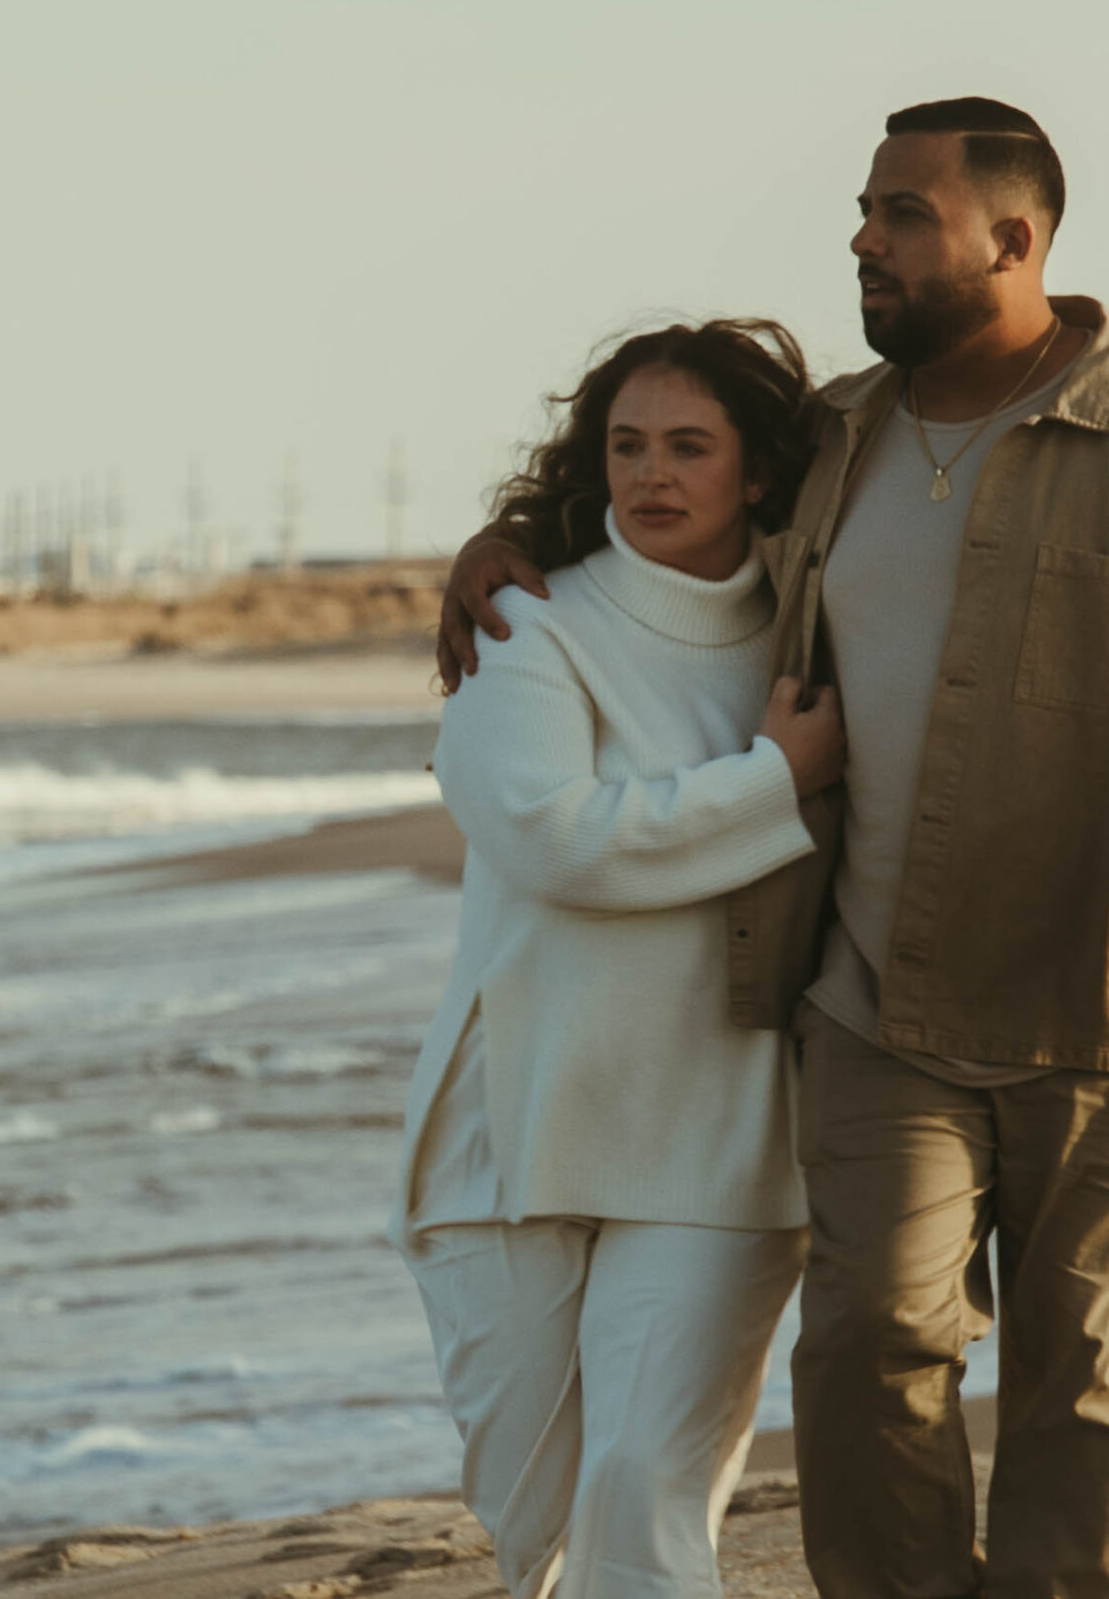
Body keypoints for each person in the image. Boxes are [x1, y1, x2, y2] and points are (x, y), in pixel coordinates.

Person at [436, 99, 1109, 1599]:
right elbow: (669, 502)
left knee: (1086, 1378)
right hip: (872, 1005)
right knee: (864, 1351)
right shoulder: (833, 436)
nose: (864, 238)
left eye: (904, 215)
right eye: (865, 210)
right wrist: (506, 540)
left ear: (1014, 239)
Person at [393, 318, 845, 1599]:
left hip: (719, 1128)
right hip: (518, 1127)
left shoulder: (816, 638)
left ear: (756, 472)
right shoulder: (528, 622)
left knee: (643, 1497)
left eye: (689, 447)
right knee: (530, 1517)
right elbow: (553, 840)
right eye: (628, 445)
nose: (652, 474)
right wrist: (775, 784)